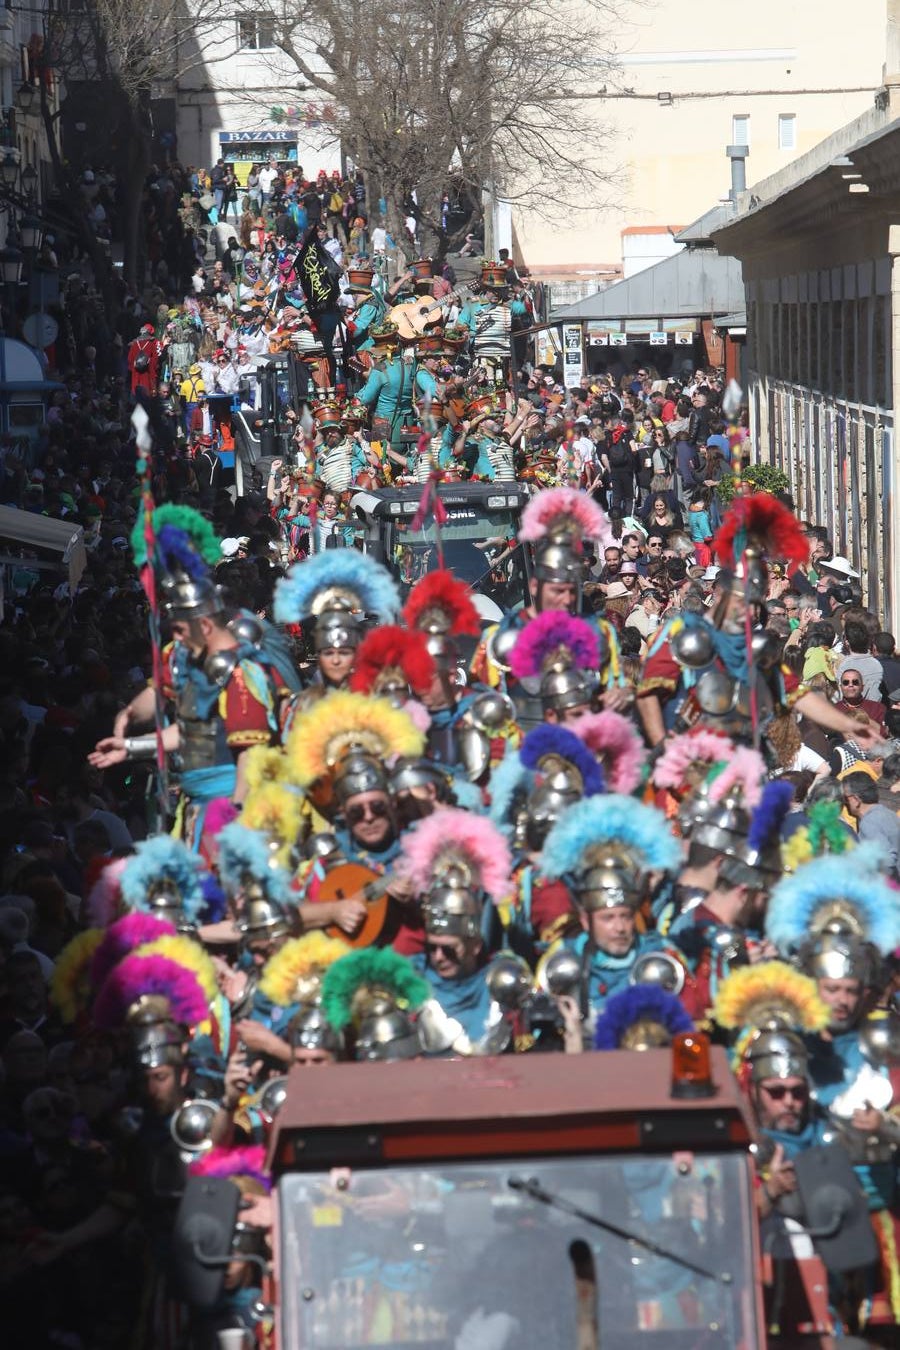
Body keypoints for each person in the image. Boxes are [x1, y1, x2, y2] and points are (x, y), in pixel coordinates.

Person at [842, 772, 900, 876]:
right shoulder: (889, 814)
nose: (844, 804)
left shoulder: (869, 822)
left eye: (845, 799)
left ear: (856, 800)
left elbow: (886, 860)